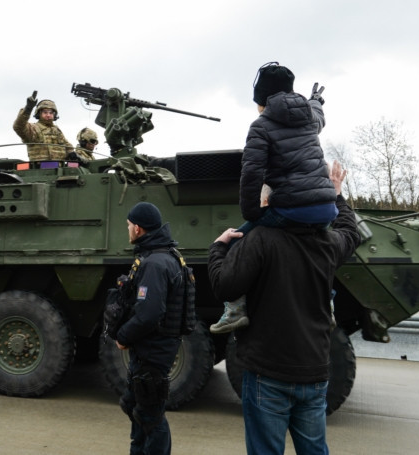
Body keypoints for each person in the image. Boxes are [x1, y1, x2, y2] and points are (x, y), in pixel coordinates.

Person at [207, 161, 360, 454]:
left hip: (267, 373)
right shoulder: (326, 243)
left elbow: (224, 286)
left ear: (268, 201)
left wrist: (218, 248)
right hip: (314, 372)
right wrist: (337, 194)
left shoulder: (261, 240)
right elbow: (350, 232)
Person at [210, 61, 337, 334]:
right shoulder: (308, 116)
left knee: (236, 244)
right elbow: (318, 114)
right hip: (327, 207)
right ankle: (327, 303)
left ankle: (235, 310)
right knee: (317, 250)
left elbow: (251, 174)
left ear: (261, 100)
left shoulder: (261, 125)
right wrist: (316, 99)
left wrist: (251, 214)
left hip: (293, 207)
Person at [115, 202, 184, 455]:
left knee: (150, 416)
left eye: (129, 225)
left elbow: (149, 314)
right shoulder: (164, 256)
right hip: (154, 349)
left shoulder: (155, 264)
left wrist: (122, 337)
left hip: (152, 352)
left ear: (138, 228)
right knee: (137, 408)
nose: (128, 229)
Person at [13, 91, 73, 161]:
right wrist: (28, 109)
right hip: (40, 169)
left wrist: (72, 154)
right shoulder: (33, 128)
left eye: (51, 113)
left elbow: (68, 147)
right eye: (45, 112)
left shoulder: (57, 131)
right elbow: (18, 126)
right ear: (39, 114)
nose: (48, 115)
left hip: (60, 169)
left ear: (54, 115)